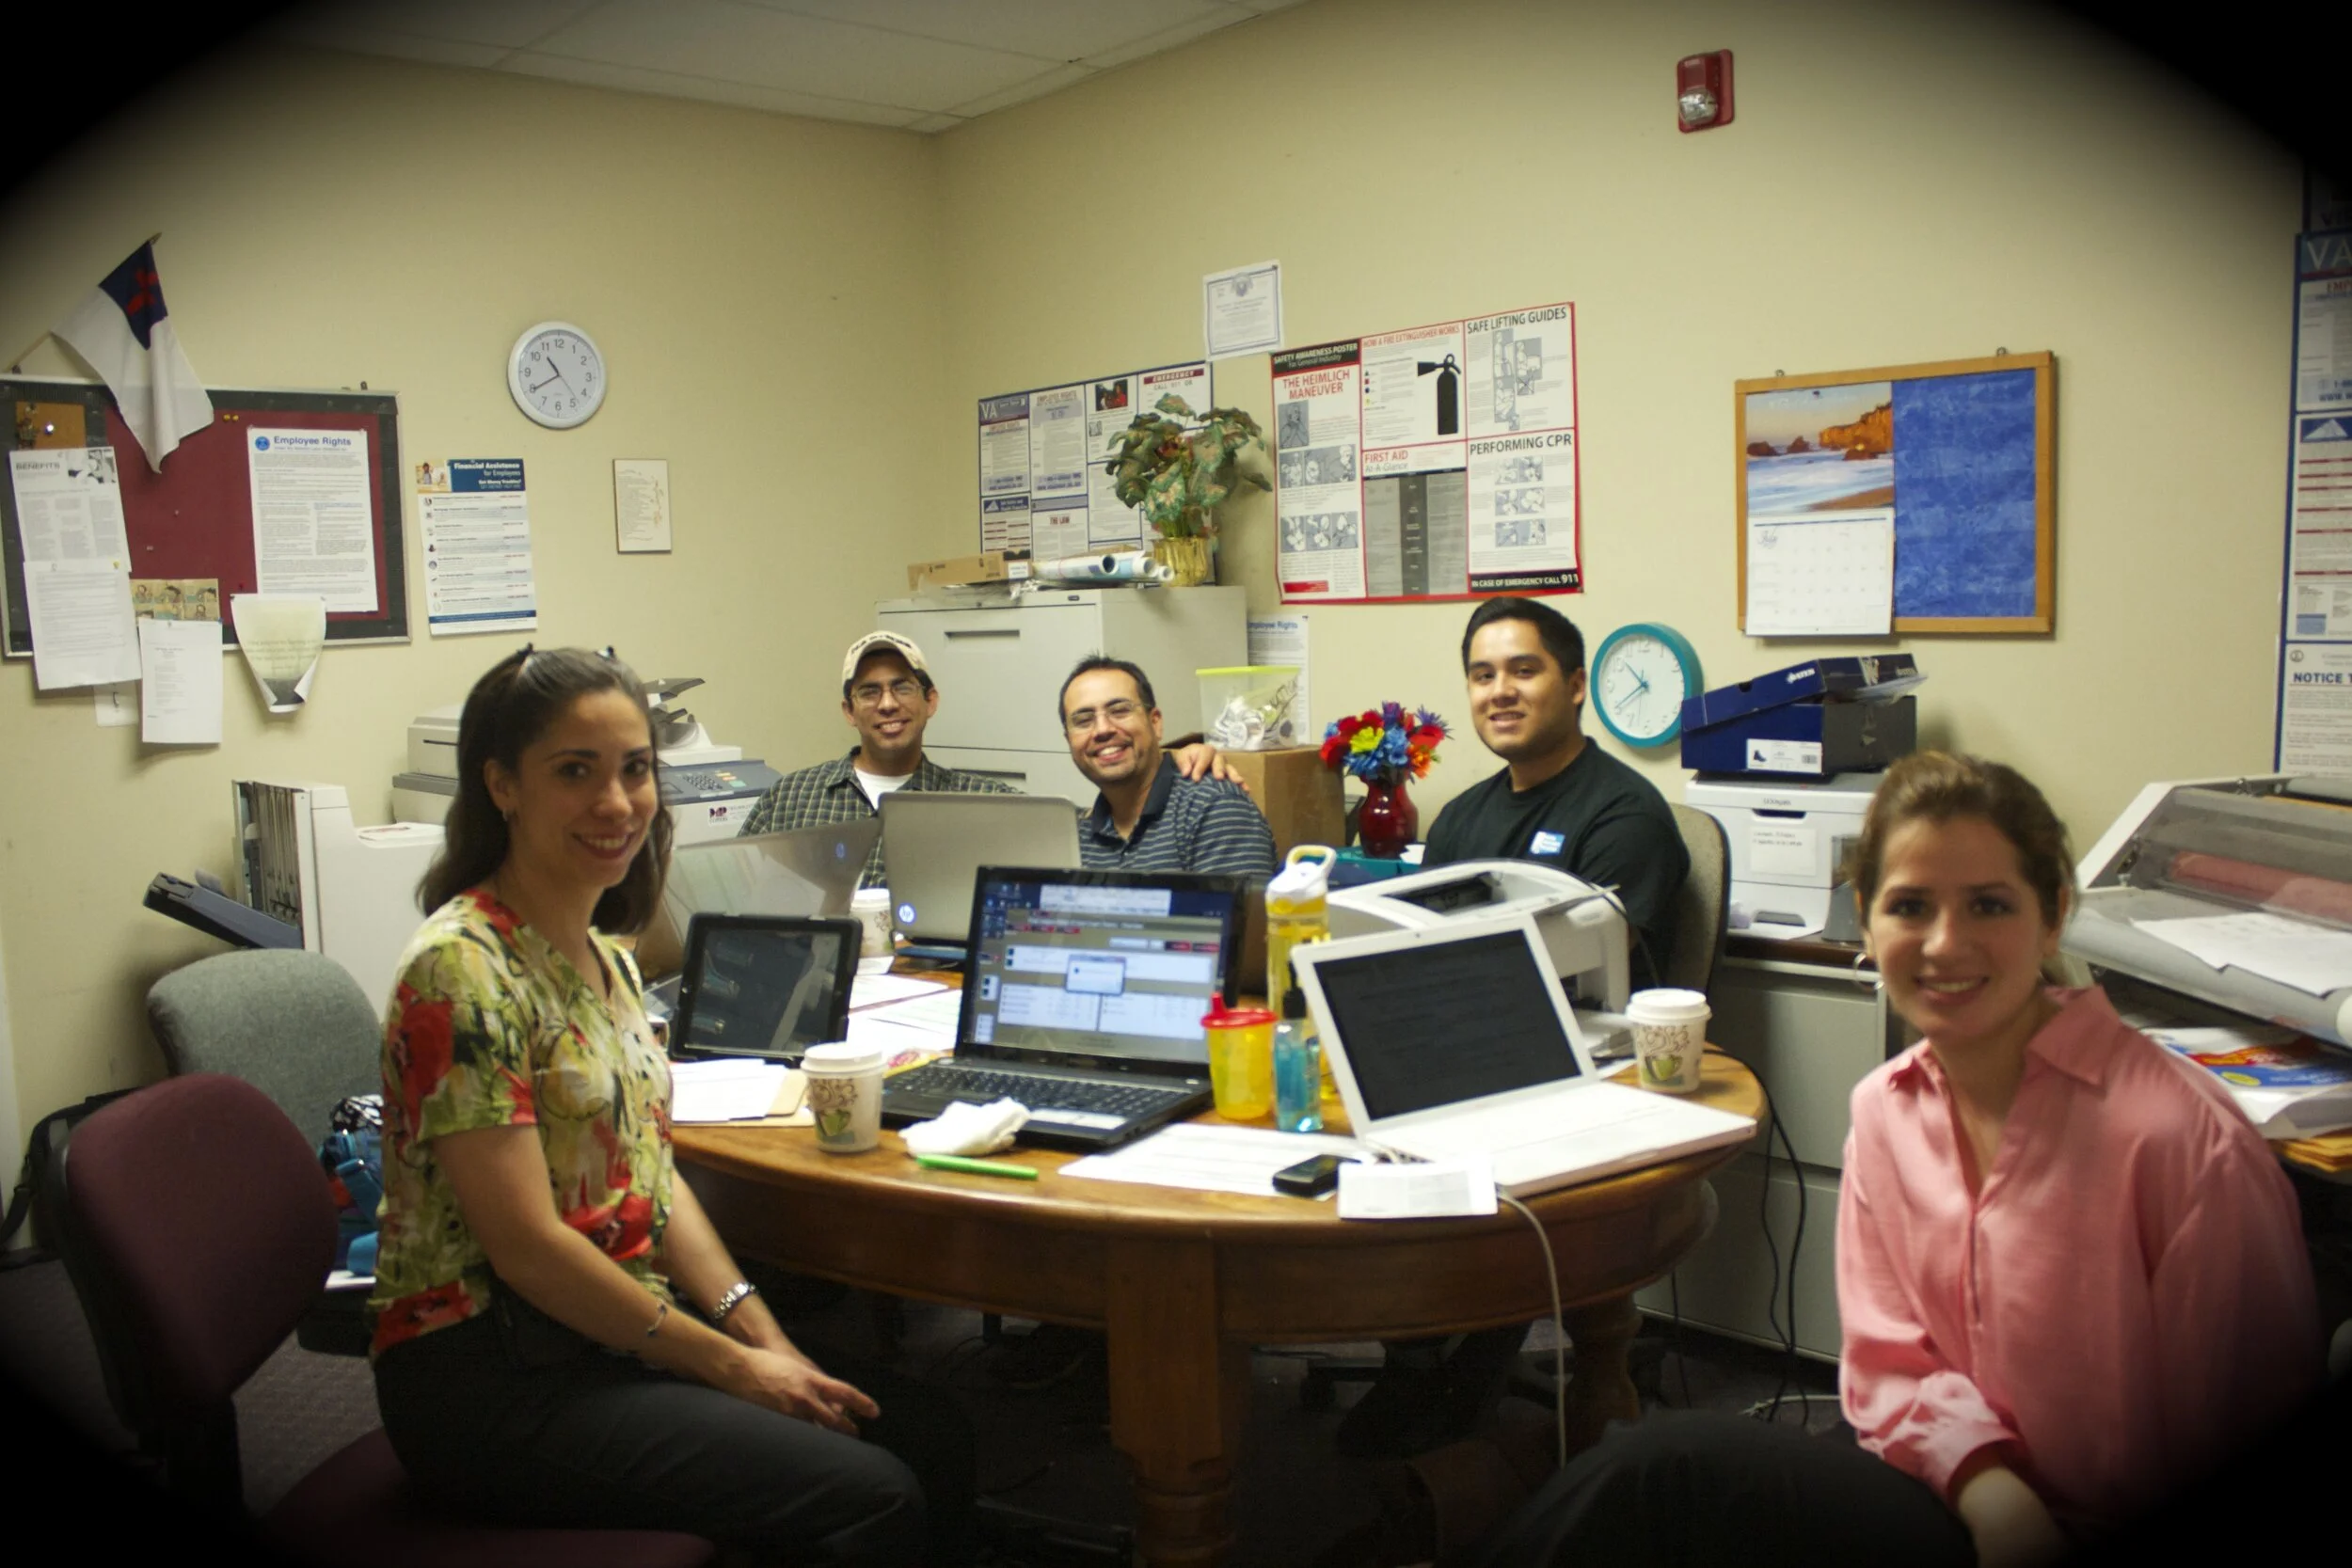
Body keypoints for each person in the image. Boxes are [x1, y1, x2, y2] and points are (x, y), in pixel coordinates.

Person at [1465, 751, 2322, 1568]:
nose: (1945, 943)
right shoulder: (1887, 1109)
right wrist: (1995, 1497)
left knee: (1669, 1474)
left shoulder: (2182, 1141)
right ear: (1866, 922)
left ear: (2054, 913)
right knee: (1649, 1483)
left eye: (1990, 905)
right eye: (1910, 906)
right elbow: (1892, 1361)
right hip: (1958, 1480)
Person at [370, 645, 974, 1564]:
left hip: (608, 1332)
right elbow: (528, 1248)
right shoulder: (461, 970)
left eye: (635, 768)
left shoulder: (606, 956)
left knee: (930, 1433)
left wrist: (764, 1334)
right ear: (502, 785)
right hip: (493, 1371)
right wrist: (736, 1368)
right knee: (872, 1492)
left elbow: (650, 1172)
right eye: (575, 771)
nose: (617, 802)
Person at [743, 630, 1245, 888]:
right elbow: (732, 886)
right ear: (848, 710)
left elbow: (1080, 822)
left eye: (903, 687)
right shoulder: (791, 798)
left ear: (931, 701)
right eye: (869, 692)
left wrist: (1175, 757)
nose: (888, 704)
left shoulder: (981, 800)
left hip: (930, 992)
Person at [1423, 596, 1686, 990]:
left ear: (1575, 686)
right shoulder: (1457, 818)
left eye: (1524, 671)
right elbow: (1420, 944)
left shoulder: (1626, 817)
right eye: (1483, 676)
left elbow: (1580, 965)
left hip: (1578, 1024)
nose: (1500, 692)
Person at [1059, 655, 1275, 877]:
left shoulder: (1213, 808)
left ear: (1155, 723)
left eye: (1119, 711)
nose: (1103, 729)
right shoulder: (1074, 835)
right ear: (1069, 740)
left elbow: (1237, 901)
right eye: (1083, 720)